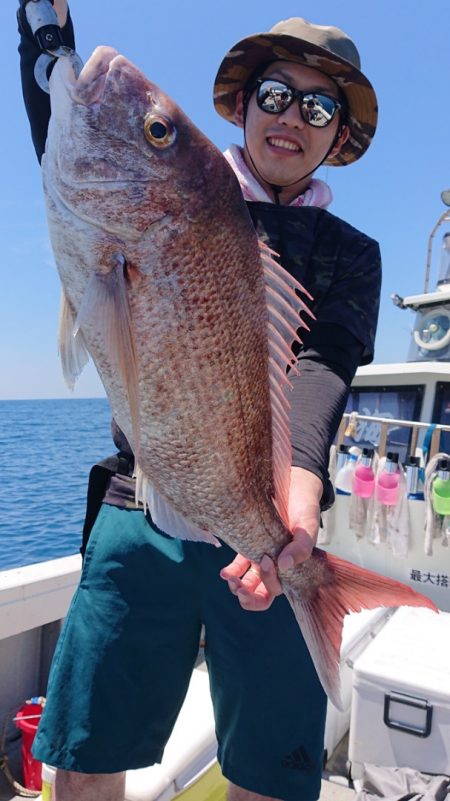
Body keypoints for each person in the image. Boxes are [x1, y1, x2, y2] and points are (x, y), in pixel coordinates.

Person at [17, 4, 381, 801]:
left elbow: (322, 368)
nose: (294, 117)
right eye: (278, 93)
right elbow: (67, 121)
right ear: (245, 102)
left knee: (269, 778)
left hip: (271, 520)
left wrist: (295, 508)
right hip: (137, 505)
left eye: (320, 107)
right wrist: (44, 36)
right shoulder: (189, 189)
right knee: (80, 757)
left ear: (338, 137)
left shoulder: (354, 254)